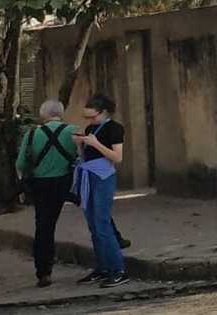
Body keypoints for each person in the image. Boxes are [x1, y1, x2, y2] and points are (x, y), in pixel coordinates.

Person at [15, 99, 77, 287]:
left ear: (43, 115)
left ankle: (43, 272)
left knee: (44, 227)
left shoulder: (32, 133)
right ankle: (109, 262)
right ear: (61, 113)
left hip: (41, 186)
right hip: (67, 182)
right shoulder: (73, 130)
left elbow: (21, 164)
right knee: (95, 217)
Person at [74, 94, 128, 288]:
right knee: (93, 225)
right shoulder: (91, 128)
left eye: (92, 116)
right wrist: (80, 145)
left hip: (104, 177)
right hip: (88, 175)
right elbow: (85, 157)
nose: (90, 121)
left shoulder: (115, 128)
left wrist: (96, 143)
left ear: (103, 112)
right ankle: (103, 267)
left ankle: (118, 269)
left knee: (102, 223)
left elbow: (117, 157)